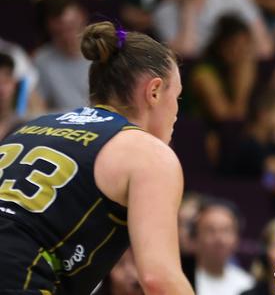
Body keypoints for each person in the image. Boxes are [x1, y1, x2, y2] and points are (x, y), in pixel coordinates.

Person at [0, 21, 194, 294]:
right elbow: (158, 278)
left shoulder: (30, 128)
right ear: (154, 91)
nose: (176, 112)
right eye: (178, 97)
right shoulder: (147, 152)